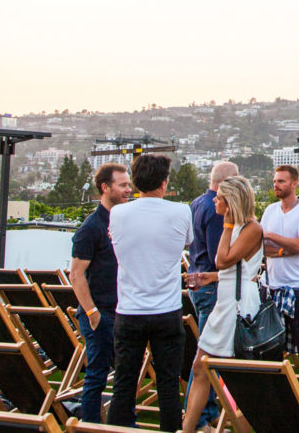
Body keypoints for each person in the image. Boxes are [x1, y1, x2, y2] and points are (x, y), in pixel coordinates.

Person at [107, 154, 192, 431]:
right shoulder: (180, 212)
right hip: (166, 311)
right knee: (168, 384)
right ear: (164, 182)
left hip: (129, 311)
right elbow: (188, 241)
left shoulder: (118, 213)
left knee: (124, 382)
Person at [182, 176, 263, 433]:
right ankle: (189, 428)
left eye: (219, 197)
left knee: (239, 375)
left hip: (238, 305)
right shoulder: (239, 227)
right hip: (226, 300)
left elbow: (223, 259)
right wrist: (212, 277)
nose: (214, 199)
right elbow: (231, 267)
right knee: (200, 366)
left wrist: (227, 224)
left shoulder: (251, 228)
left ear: (231, 201)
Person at [68, 164, 130, 423]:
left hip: (123, 311)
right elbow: (76, 274)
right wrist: (92, 313)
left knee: (127, 374)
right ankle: (90, 425)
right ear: (105, 188)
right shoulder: (91, 227)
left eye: (129, 184)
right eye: (122, 185)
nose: (129, 189)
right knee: (97, 375)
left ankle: (122, 423)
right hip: (100, 314)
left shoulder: (123, 221)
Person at [184, 160, 238, 430]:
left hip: (197, 280)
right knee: (206, 357)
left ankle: (209, 410)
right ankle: (198, 418)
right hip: (211, 283)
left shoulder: (196, 203)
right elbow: (222, 257)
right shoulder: (218, 210)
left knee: (207, 353)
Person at [261, 165, 299, 364]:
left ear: (294, 184)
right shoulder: (270, 211)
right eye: (275, 181)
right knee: (271, 344)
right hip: (272, 287)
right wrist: (283, 250)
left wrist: (272, 236)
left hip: (297, 287)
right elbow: (261, 248)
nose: (276, 185)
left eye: (281, 181)